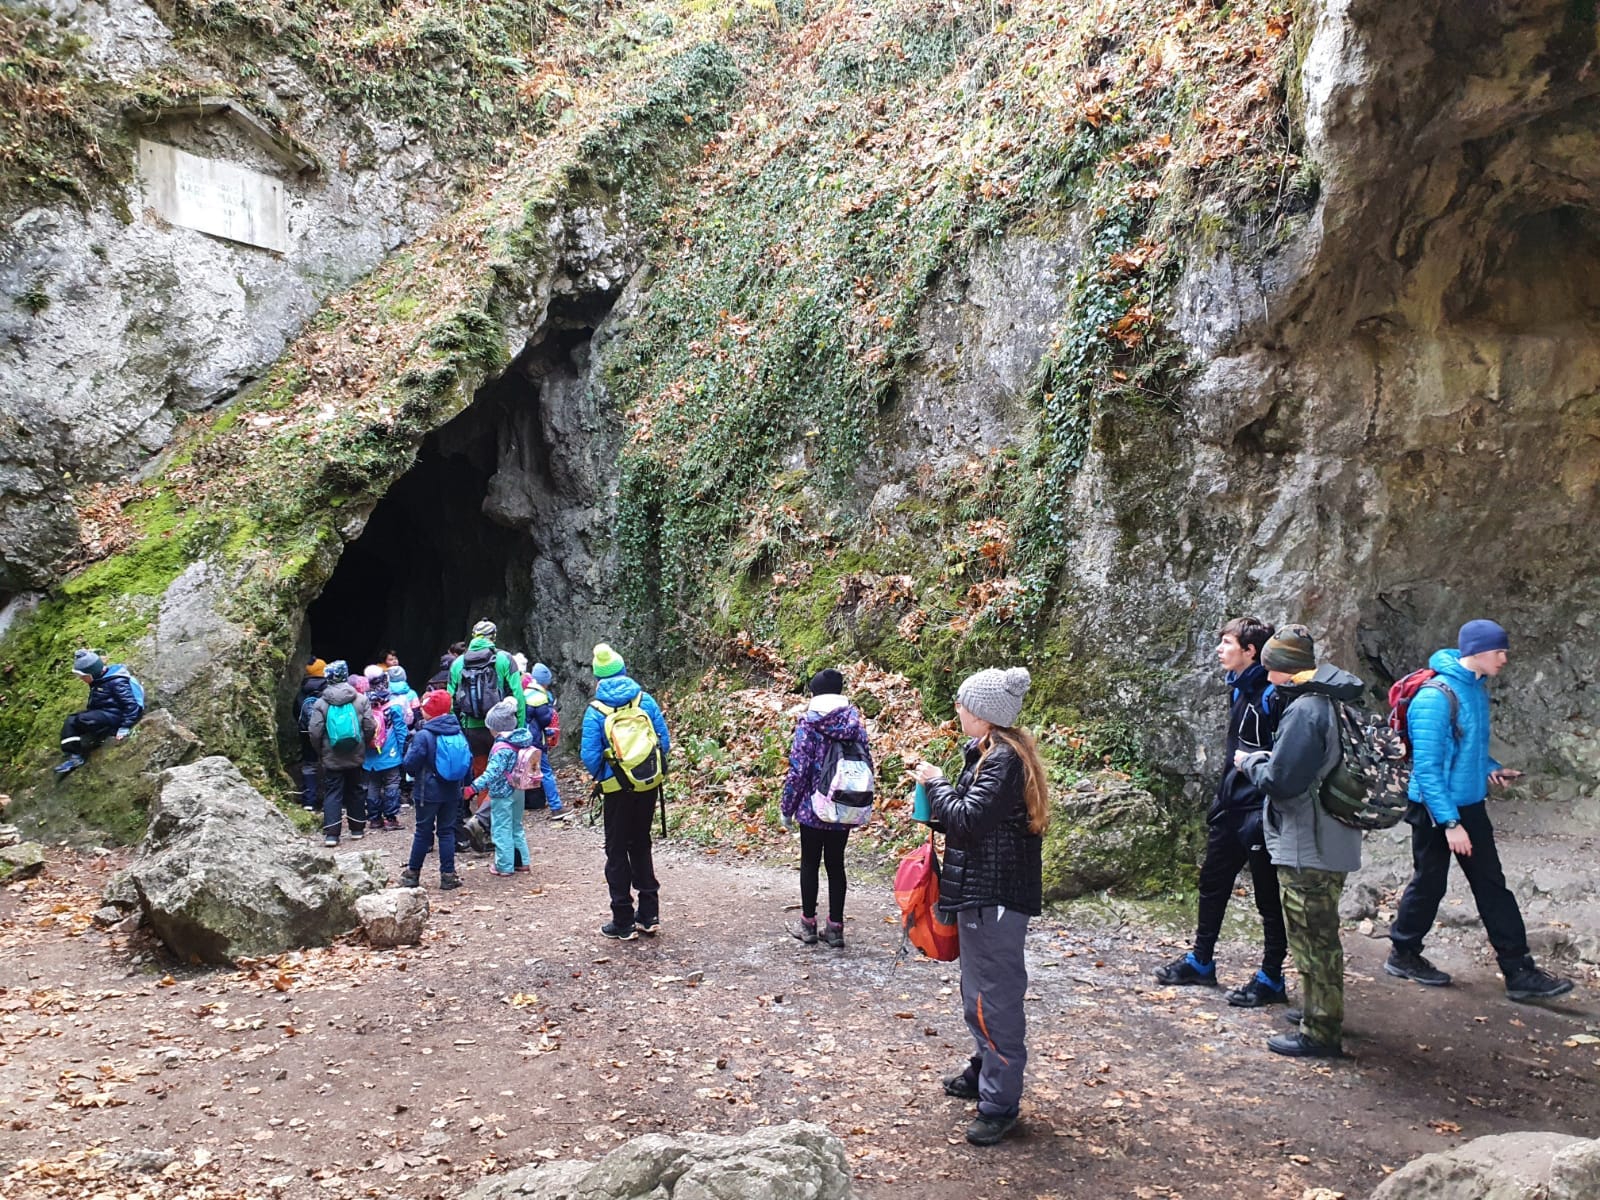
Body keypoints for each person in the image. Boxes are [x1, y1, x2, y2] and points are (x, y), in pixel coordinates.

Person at [1386, 620, 1573, 1002]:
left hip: (1468, 803)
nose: (1504, 659)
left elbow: (1465, 746)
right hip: (1435, 809)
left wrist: (1490, 768)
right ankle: (1403, 953)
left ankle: (1519, 972)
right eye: (1499, 651)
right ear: (1477, 651)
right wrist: (1451, 823)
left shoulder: (1473, 688)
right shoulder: (1434, 697)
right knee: (1430, 883)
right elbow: (1427, 769)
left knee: (1491, 885)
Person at [912, 666, 1047, 1147]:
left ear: (986, 714)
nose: (958, 709)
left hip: (997, 898)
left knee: (995, 998)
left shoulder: (1003, 760)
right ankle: (984, 1069)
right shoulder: (988, 752)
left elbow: (968, 819)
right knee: (978, 993)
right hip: (981, 893)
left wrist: (937, 783)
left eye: (964, 703)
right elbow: (975, 823)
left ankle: (999, 1103)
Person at [1234, 626, 1361, 1059]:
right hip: (1332, 836)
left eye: (1271, 668)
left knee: (1312, 937)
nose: (1267, 677)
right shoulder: (1333, 700)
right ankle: (1320, 1009)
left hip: (1310, 843)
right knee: (1321, 933)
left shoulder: (1307, 710)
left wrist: (1250, 762)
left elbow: (1282, 782)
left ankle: (1320, 1031)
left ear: (1286, 669)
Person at [1156, 617, 1288, 1006]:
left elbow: (1282, 760)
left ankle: (1272, 978)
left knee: (1267, 897)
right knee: (1212, 882)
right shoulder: (1238, 688)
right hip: (1231, 806)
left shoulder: (1273, 695)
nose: (1219, 649)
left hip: (1260, 810)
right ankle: (1201, 961)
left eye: (1227, 642)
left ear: (1250, 651)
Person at [582, 643, 670, 941]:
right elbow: (663, 741)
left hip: (616, 790)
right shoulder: (645, 700)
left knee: (616, 850)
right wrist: (646, 772)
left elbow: (589, 755)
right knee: (641, 843)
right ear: (623, 670)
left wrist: (608, 777)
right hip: (647, 784)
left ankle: (622, 921)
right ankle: (649, 914)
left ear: (598, 677)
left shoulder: (596, 710)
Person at [781, 668, 872, 949]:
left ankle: (808, 924)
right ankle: (835, 929)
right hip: (843, 804)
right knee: (836, 864)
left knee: (810, 862)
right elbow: (867, 764)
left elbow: (798, 771)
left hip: (813, 807)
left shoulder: (809, 724)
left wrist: (787, 808)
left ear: (815, 694)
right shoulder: (855, 724)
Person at [400, 688, 467, 891]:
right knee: (446, 832)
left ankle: (412, 874)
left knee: (423, 832)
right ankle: (448, 876)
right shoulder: (457, 731)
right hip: (452, 791)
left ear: (430, 711)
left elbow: (410, 764)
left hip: (427, 792)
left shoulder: (424, 735)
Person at [307, 660, 376, 847]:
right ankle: (357, 829)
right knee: (356, 789)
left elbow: (314, 731)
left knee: (333, 792)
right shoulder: (361, 699)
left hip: (331, 755)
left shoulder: (321, 703)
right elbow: (370, 726)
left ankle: (332, 834)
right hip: (355, 753)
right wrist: (362, 743)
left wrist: (321, 751)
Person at [449, 622, 525, 779]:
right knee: (504, 774)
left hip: (471, 728)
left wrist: (459, 730)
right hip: (502, 727)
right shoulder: (505, 659)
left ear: (473, 636)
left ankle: (482, 795)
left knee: (481, 773)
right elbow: (518, 696)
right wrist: (520, 727)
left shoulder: (457, 663)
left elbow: (450, 701)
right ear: (493, 637)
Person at [55, 650, 144, 775]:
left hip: (115, 715)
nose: (81, 679)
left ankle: (103, 732)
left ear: (93, 673)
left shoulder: (116, 681)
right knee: (70, 720)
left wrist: (124, 727)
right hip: (103, 711)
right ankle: (73, 754)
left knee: (83, 719)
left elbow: (131, 705)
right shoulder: (99, 680)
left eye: (83, 676)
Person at [472, 698, 534, 877]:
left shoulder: (501, 748)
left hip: (502, 792)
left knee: (501, 828)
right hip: (519, 788)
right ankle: (522, 862)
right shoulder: (521, 740)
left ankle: (504, 865)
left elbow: (492, 773)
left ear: (495, 728)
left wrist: (474, 787)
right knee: (516, 826)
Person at [363, 666, 409, 831]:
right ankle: (391, 818)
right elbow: (401, 730)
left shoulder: (364, 704)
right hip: (390, 751)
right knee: (392, 782)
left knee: (373, 784)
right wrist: (403, 750)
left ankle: (374, 818)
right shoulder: (393, 705)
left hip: (370, 752)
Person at [521, 664, 565, 818]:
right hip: (536, 740)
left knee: (525, 770)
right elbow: (545, 720)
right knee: (545, 772)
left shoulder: (525, 692)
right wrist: (551, 711)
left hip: (524, 738)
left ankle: (527, 804)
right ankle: (556, 807)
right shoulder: (540, 697)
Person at [294, 659, 328, 810]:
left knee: (309, 765)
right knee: (329, 765)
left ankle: (309, 800)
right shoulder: (327, 691)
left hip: (306, 733)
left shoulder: (302, 692)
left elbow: (296, 712)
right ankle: (330, 800)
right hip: (326, 734)